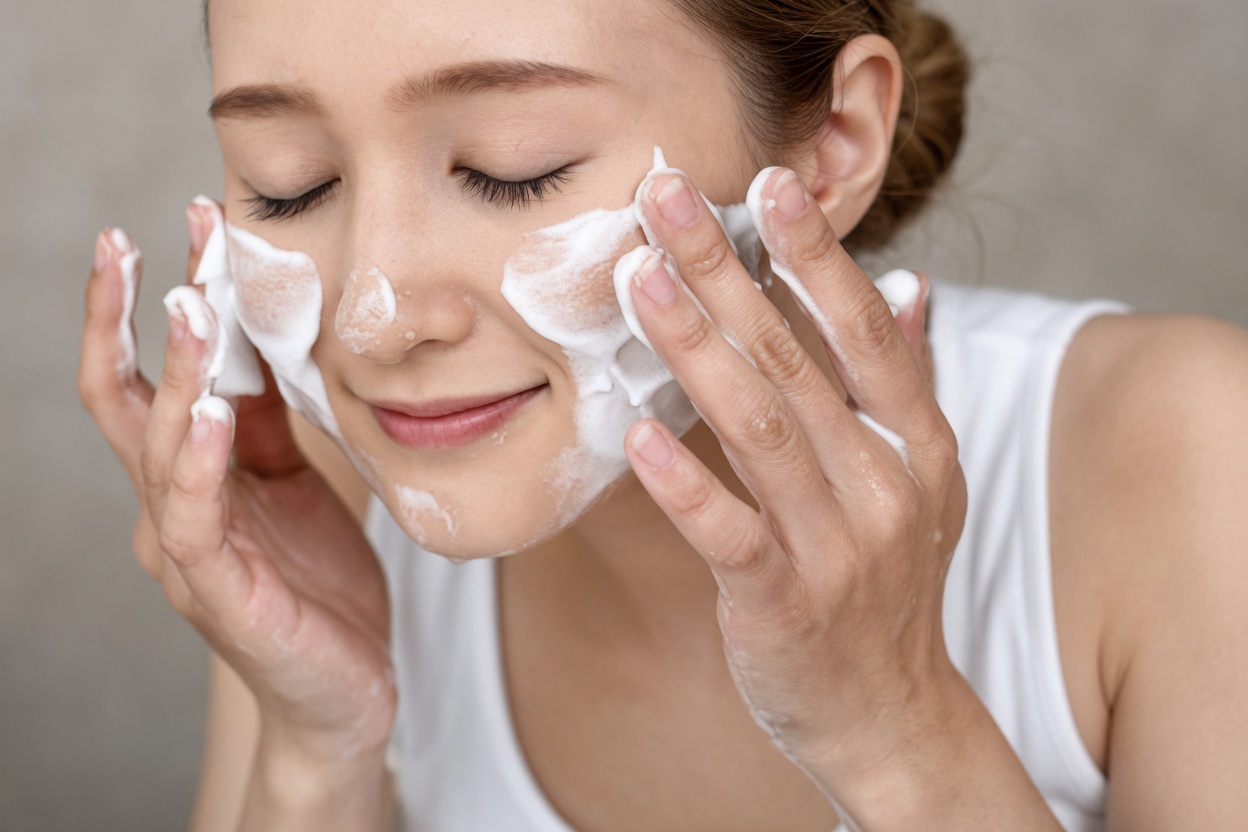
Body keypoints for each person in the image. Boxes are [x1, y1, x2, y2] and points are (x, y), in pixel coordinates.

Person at [77, 0, 1248, 829]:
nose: (375, 316)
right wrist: (315, 751)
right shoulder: (327, 521)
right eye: (290, 181)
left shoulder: (1188, 461)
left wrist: (898, 732)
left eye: (511, 167)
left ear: (834, 145)